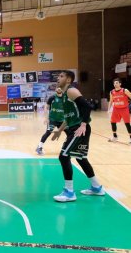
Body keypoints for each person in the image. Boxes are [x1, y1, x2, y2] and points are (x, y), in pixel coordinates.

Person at [51, 70, 105, 202]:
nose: (58, 78)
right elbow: (69, 118)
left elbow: (87, 107)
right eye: (58, 76)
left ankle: (69, 192)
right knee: (81, 158)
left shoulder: (71, 91)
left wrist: (84, 124)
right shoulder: (64, 95)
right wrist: (60, 130)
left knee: (63, 156)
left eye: (62, 76)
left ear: (69, 80)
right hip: (75, 127)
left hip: (79, 129)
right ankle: (97, 187)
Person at [36, 87, 65, 155]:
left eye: (60, 88)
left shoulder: (65, 98)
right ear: (55, 89)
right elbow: (46, 106)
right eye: (57, 87)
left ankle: (67, 148)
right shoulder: (52, 97)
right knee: (48, 132)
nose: (59, 88)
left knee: (69, 133)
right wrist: (46, 118)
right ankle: (39, 147)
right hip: (52, 119)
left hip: (62, 120)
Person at [107, 78, 131, 143]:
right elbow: (111, 101)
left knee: (127, 123)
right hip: (116, 109)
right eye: (114, 83)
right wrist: (108, 109)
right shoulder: (112, 92)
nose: (115, 84)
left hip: (124, 109)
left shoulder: (124, 90)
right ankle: (115, 137)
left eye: (117, 83)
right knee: (112, 122)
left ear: (120, 84)